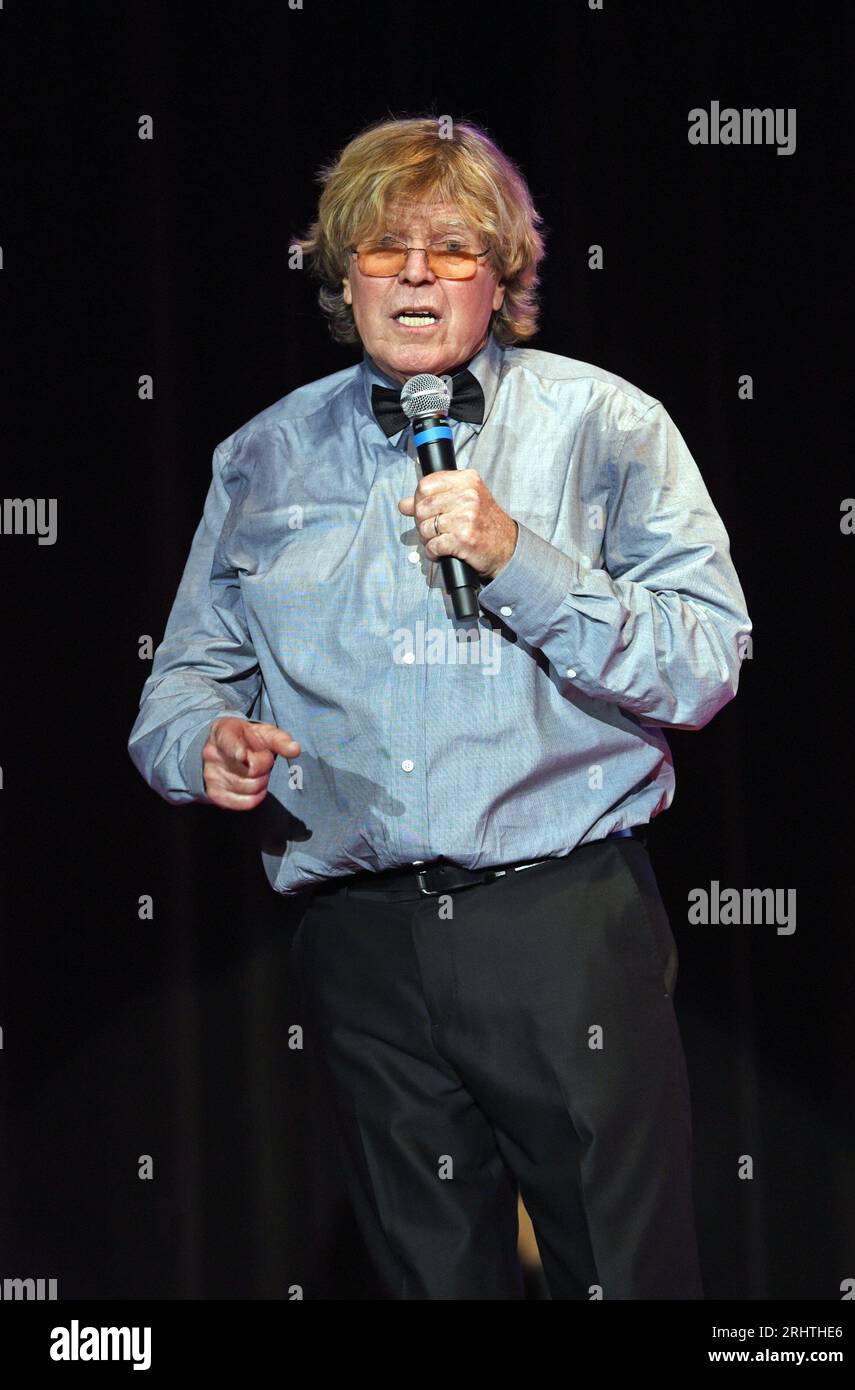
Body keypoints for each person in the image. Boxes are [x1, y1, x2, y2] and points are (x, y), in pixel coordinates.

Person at [128, 115, 751, 1300]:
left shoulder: (605, 426)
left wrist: (516, 554)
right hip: (360, 941)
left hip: (558, 925)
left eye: (454, 247)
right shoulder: (260, 457)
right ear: (341, 273)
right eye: (382, 246)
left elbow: (704, 657)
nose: (415, 271)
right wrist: (200, 741)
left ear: (503, 273)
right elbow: (183, 681)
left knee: (619, 1274)